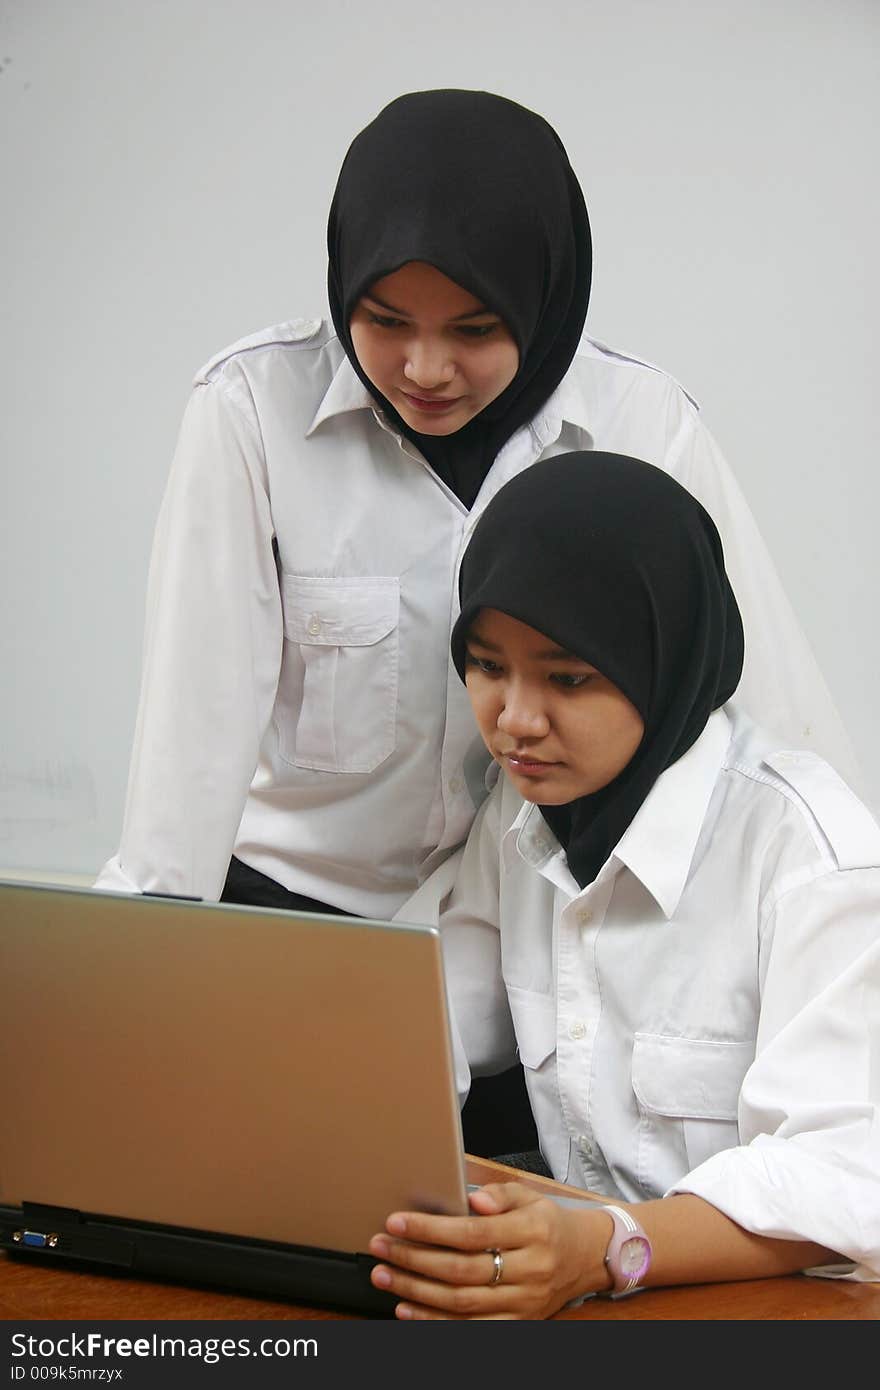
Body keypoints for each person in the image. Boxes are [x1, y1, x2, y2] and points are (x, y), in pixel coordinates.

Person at [94, 90, 861, 1154]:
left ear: (542, 304)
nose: (422, 369)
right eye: (382, 322)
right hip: (302, 925)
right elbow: (189, 739)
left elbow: (764, 704)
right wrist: (133, 1001)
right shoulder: (249, 414)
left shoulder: (640, 420)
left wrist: (836, 938)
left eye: (474, 329)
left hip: (548, 938)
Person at [364, 452, 880, 1319]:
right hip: (588, 1304)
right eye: (487, 667)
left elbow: (845, 1179)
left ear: (663, 658)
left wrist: (608, 1248)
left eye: (568, 678)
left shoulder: (814, 861)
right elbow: (423, 1031)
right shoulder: (524, 817)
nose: (515, 721)